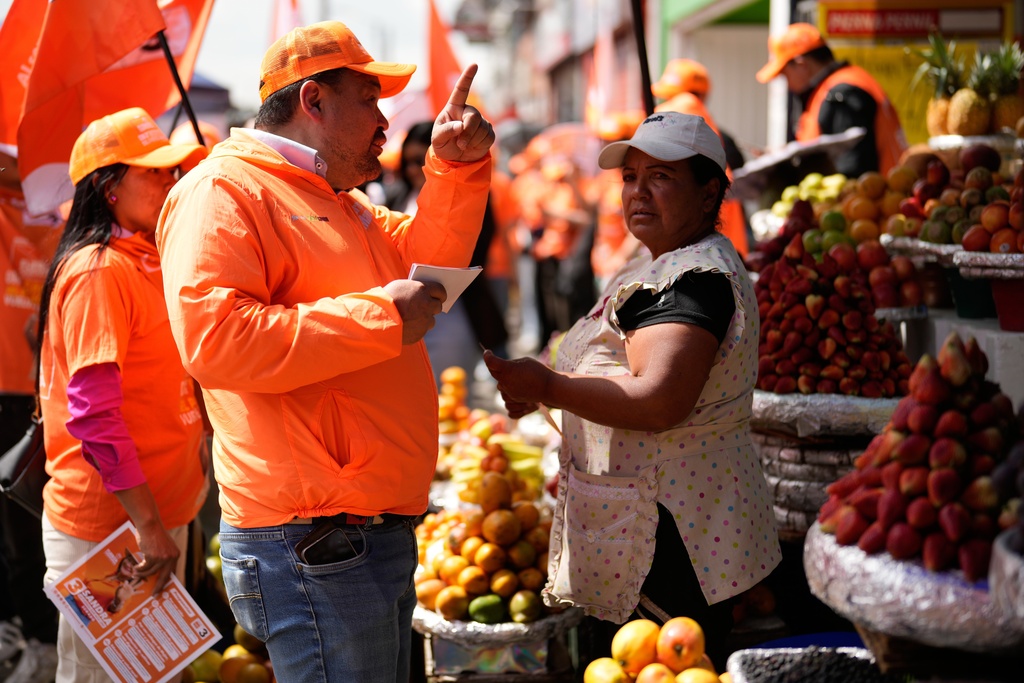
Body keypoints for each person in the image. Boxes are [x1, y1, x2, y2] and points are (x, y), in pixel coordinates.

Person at [155, 20, 495, 682]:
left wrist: (455, 170)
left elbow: (431, 265)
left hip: (356, 530)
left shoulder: (343, 203)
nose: (383, 119)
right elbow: (216, 341)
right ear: (313, 102)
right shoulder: (223, 191)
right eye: (368, 99)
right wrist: (378, 317)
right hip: (315, 536)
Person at [484, 112, 781, 670]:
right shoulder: (664, 263)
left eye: (661, 176)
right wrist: (548, 391)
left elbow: (659, 400)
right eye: (630, 176)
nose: (638, 192)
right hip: (660, 519)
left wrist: (549, 384)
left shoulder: (694, 279)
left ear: (709, 190)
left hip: (675, 535)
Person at [36, 107, 209, 683]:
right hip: (117, 529)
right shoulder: (99, 271)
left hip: (158, 516)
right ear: (108, 188)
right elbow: (94, 415)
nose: (169, 181)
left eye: (170, 171)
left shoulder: (149, 261)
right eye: (153, 172)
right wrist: (149, 528)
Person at [0, 150, 61, 683]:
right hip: (9, 388)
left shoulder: (62, 206)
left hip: (39, 394)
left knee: (31, 529)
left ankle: (42, 638)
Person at [755, 22, 907, 177]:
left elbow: (853, 169)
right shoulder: (842, 84)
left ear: (801, 64)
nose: (788, 84)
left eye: (785, 74)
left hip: (874, 198)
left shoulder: (842, 94)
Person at [654, 59, 749, 256]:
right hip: (721, 250)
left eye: (671, 97)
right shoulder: (718, 136)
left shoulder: (681, 113)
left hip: (705, 252)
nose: (667, 104)